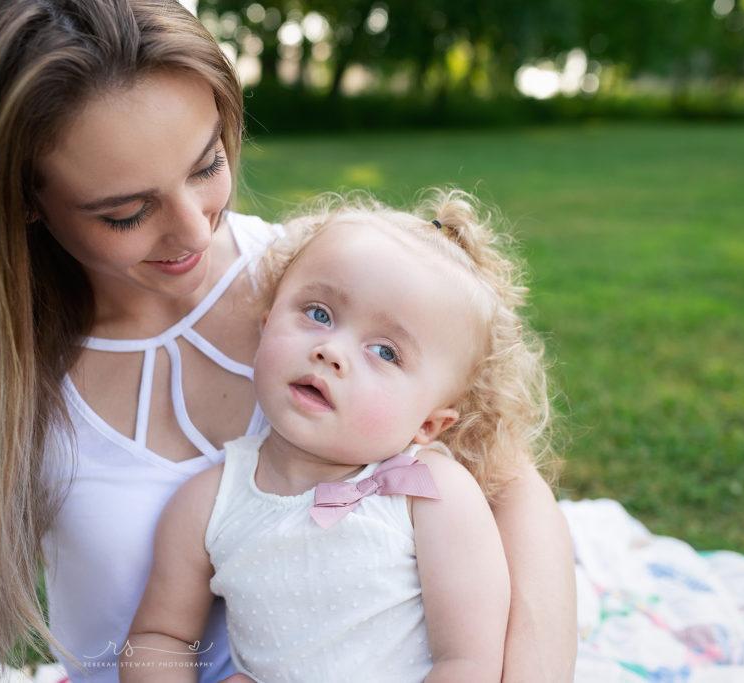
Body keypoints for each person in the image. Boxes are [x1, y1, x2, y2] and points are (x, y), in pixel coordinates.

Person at [0, 1, 577, 682]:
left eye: (207, 164)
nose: (193, 230)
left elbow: (512, 488)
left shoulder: (330, 289)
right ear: (17, 199)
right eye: (127, 211)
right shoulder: (1, 382)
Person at [120, 189, 541, 682]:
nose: (331, 351)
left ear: (428, 424)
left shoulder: (428, 493)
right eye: (318, 314)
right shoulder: (208, 502)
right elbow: (161, 636)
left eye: (385, 352)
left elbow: (468, 661)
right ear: (266, 323)